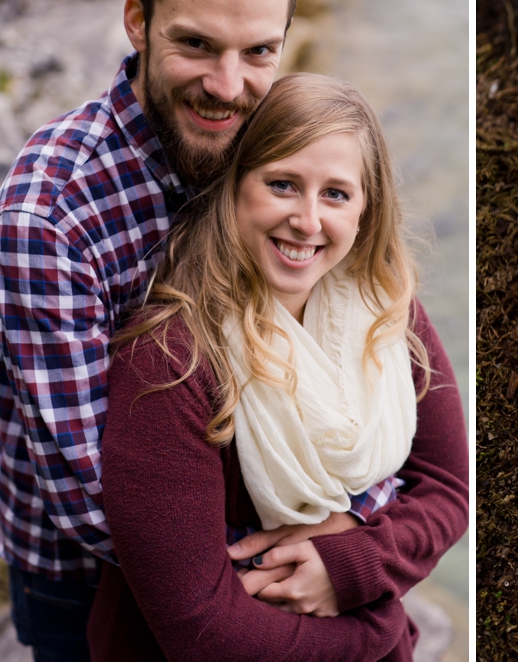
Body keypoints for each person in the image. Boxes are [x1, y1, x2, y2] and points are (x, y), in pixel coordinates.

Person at [0, 0, 444, 658]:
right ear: (138, 22)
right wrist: (301, 555)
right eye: (195, 44)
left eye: (259, 51)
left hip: (263, 530)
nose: (227, 86)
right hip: (89, 576)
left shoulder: (268, 149)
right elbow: (89, 485)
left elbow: (357, 317)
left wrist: (352, 536)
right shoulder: (50, 216)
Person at [88, 73, 468, 658]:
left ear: (367, 208)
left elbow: (448, 488)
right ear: (235, 187)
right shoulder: (168, 364)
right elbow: (201, 632)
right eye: (284, 184)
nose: (308, 221)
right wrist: (377, 631)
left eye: (336, 194)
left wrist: (354, 564)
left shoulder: (387, 313)